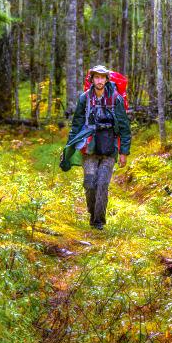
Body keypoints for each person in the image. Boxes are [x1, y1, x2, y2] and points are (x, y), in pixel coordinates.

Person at [64, 65, 131, 230]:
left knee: (102, 183)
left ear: (107, 79)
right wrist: (69, 148)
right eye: (96, 77)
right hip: (89, 148)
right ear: (92, 79)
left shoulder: (116, 99)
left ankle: (98, 221)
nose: (99, 80)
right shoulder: (84, 98)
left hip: (110, 148)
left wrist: (124, 152)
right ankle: (92, 212)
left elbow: (124, 127)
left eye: (102, 77)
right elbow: (77, 124)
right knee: (89, 183)